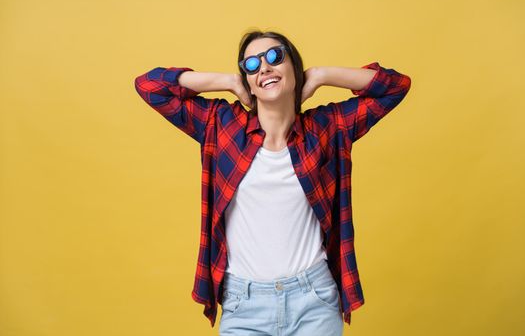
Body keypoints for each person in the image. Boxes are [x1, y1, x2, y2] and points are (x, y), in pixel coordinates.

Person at [134, 30, 411, 335]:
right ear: (248, 80)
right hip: (244, 303)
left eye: (274, 57)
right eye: (251, 65)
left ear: (294, 66)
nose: (263, 67)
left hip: (314, 301)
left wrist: (320, 75)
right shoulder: (221, 125)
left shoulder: (327, 128)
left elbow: (395, 87)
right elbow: (150, 86)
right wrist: (228, 82)